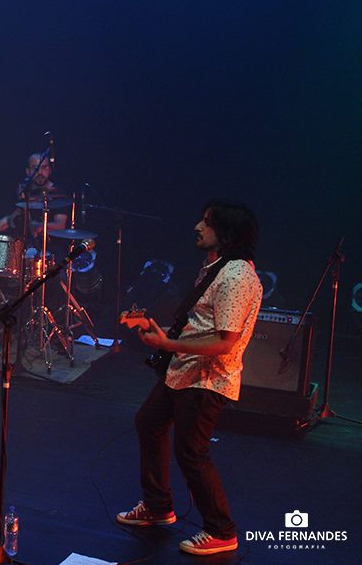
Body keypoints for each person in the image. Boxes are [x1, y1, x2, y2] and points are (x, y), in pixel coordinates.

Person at [116, 200, 263, 556]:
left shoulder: (236, 276)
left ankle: (222, 530)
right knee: (149, 422)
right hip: (185, 370)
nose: (198, 226)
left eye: (207, 222)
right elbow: (202, 325)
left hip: (208, 379)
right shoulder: (216, 267)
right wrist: (159, 330)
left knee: (192, 453)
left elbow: (225, 341)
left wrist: (167, 343)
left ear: (226, 234)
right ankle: (158, 506)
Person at [0, 152, 69, 238]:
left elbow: (60, 226)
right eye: (35, 168)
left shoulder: (58, 193)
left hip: (51, 245)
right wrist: (6, 221)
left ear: (50, 170)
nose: (40, 172)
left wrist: (38, 226)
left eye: (44, 167)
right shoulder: (24, 191)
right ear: (28, 171)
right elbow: (17, 216)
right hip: (25, 244)